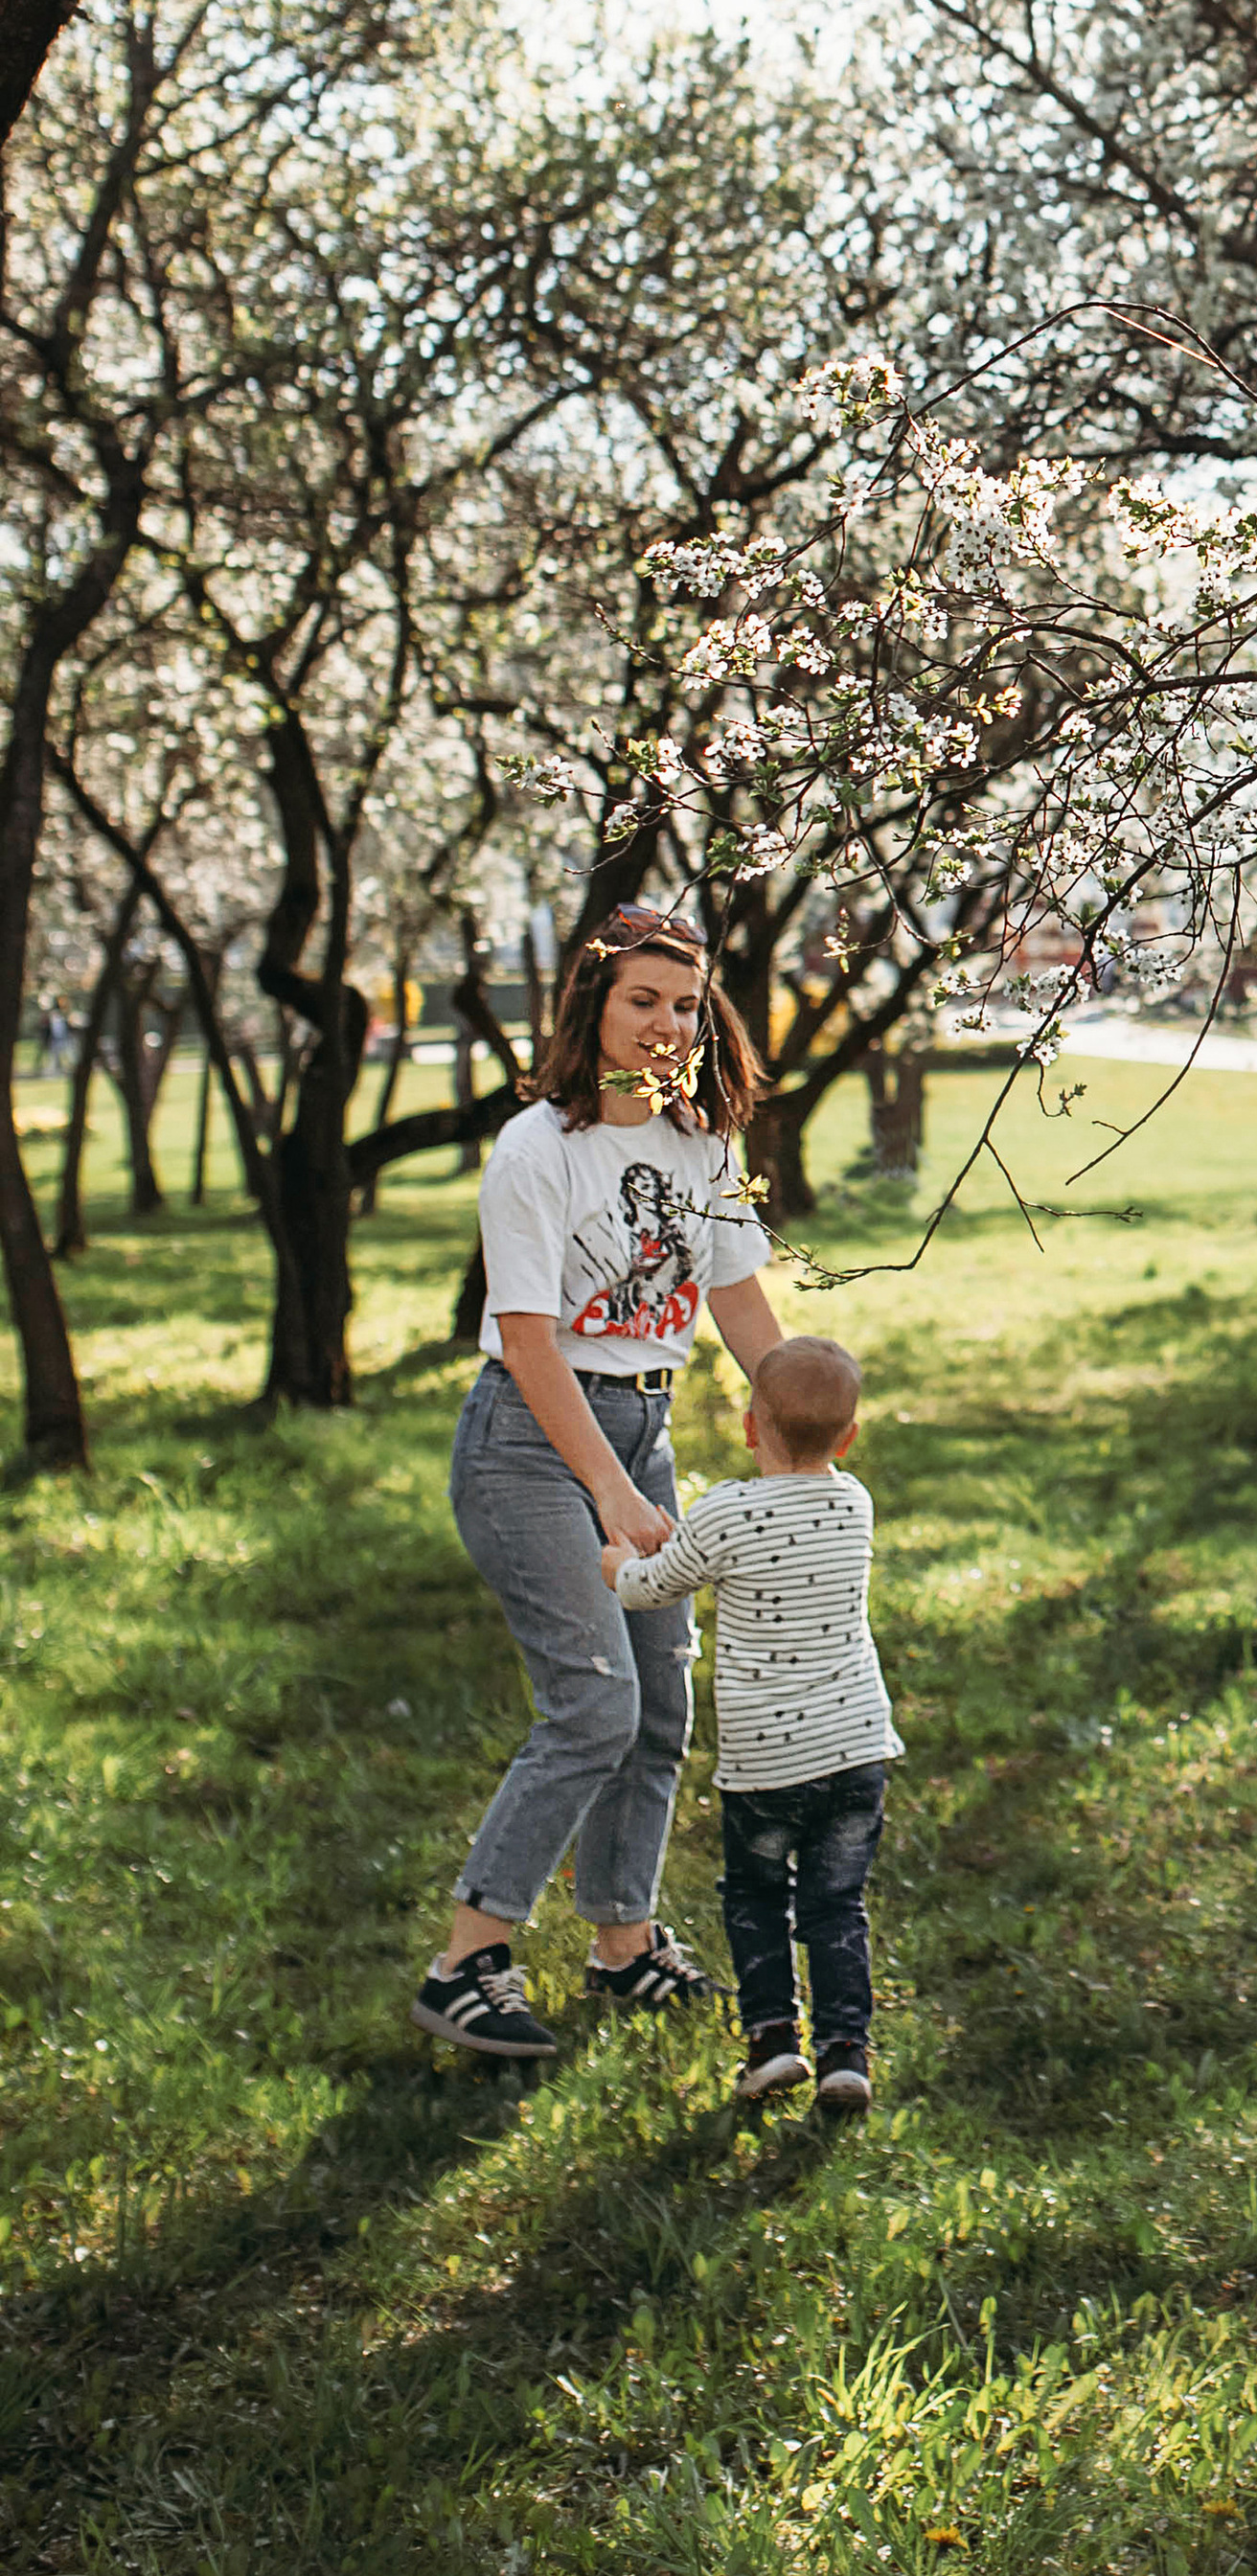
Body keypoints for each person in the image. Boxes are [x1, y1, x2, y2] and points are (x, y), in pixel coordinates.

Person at [411, 901, 787, 2059]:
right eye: (642, 1000)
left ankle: (623, 1945)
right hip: (531, 1439)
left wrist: (801, 1416)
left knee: (660, 1703)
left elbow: (733, 1300)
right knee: (591, 1702)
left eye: (685, 1004)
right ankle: (465, 1960)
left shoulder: (701, 1146)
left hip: (642, 1427)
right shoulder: (538, 1149)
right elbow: (526, 1340)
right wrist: (614, 1500)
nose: (667, 1023)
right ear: (593, 1008)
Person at [604, 1333, 898, 2111]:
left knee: (758, 1897)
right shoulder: (854, 1502)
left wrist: (617, 1570)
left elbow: (658, 1587)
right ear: (849, 1437)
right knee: (838, 1903)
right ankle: (845, 2053)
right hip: (856, 1748)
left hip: (768, 1760)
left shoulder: (726, 1512)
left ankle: (771, 2040)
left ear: (747, 1426)